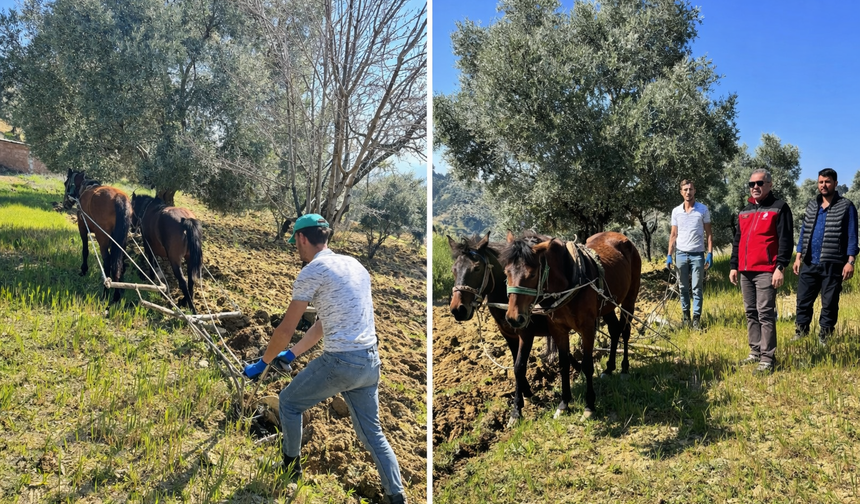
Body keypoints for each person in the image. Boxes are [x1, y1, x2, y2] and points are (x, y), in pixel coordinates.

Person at [243, 214, 407, 504]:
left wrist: (264, 362)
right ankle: (397, 496)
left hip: (341, 361)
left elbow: (285, 329)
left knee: (290, 403)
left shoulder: (312, 271)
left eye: (297, 243)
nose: (297, 249)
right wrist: (292, 354)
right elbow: (321, 324)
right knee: (373, 435)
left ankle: (291, 470)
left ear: (303, 239)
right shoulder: (355, 265)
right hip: (370, 362)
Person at [729, 169, 794, 375]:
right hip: (745, 271)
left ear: (769, 184)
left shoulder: (779, 208)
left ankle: (767, 358)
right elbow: (737, 241)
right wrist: (733, 266)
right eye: (751, 184)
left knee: (765, 313)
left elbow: (785, 240)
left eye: (759, 183)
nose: (755, 187)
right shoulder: (744, 211)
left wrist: (780, 267)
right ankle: (755, 352)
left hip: (767, 270)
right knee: (751, 312)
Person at [792, 168, 858, 345]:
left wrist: (850, 261)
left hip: (833, 263)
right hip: (809, 261)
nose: (824, 185)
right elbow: (804, 232)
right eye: (821, 182)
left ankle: (825, 336)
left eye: (827, 182)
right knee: (803, 301)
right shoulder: (812, 205)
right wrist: (798, 256)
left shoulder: (846, 206)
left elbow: (852, 235)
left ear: (835, 184)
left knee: (829, 303)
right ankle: (801, 332)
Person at [667, 179, 713, 329]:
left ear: (695, 191)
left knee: (697, 288)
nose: (688, 192)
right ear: (681, 192)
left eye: (691, 189)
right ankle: (686, 317)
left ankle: (696, 320)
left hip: (697, 254)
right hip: (680, 254)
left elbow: (709, 233)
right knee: (682, 287)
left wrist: (710, 253)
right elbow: (673, 234)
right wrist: (669, 254)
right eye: (685, 189)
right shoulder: (676, 211)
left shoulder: (703, 209)